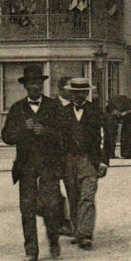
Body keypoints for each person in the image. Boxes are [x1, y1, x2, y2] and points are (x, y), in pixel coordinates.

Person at [1, 66, 61, 261]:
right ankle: (31, 250)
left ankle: (53, 239)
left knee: (51, 205)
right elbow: (7, 137)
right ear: (25, 86)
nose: (36, 87)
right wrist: (22, 129)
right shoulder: (17, 109)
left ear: (42, 85)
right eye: (32, 83)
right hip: (25, 165)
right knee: (27, 208)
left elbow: (64, 135)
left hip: (48, 164)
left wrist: (46, 131)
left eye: (38, 83)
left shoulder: (54, 106)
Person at [57, 78, 110, 250]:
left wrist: (103, 161)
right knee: (74, 196)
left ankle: (85, 234)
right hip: (68, 160)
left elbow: (106, 138)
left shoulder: (96, 112)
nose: (79, 95)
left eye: (82, 92)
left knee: (87, 196)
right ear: (70, 93)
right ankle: (77, 230)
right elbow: (57, 140)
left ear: (87, 93)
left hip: (89, 159)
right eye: (75, 92)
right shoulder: (62, 113)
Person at [54, 76, 76, 237]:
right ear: (60, 89)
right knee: (53, 191)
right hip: (53, 156)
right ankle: (62, 220)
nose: (72, 90)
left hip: (70, 156)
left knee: (73, 190)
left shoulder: (77, 106)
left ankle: (75, 226)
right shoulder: (50, 105)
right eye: (69, 87)